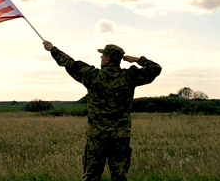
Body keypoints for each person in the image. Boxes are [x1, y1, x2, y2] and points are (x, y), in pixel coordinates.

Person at [42, 40, 162, 181]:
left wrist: (52, 49)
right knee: (120, 176)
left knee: (91, 176)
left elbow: (70, 63)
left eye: (102, 56)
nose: (100, 58)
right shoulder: (129, 77)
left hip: (96, 137)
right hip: (120, 137)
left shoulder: (92, 76)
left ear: (107, 59)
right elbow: (155, 68)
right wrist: (137, 60)